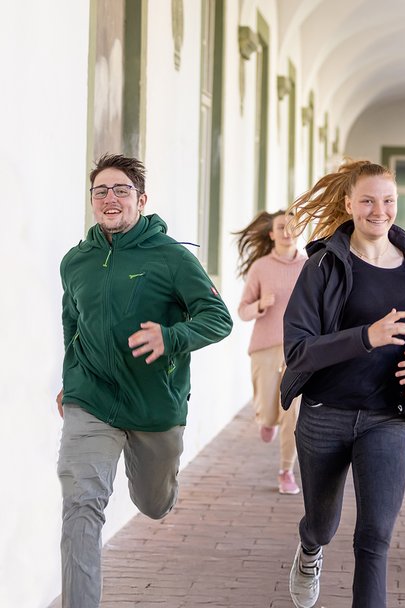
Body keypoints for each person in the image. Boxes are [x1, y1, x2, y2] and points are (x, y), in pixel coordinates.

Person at [56, 153, 233, 607]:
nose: (110, 198)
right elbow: (72, 324)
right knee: (81, 504)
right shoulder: (76, 261)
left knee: (153, 504)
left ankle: (159, 489)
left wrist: (170, 337)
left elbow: (218, 318)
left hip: (154, 402)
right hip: (90, 398)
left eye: (121, 190)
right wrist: (70, 379)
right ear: (92, 200)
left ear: (141, 199)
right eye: (101, 191)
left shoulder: (171, 257)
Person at [279, 159, 405, 608]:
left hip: (387, 416)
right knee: (322, 524)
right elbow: (298, 351)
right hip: (324, 414)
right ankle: (310, 548)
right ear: (349, 203)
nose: (379, 210)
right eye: (368, 201)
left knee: (375, 536)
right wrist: (366, 337)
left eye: (388, 200)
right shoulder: (323, 266)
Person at [235, 210, 307, 495]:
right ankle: (267, 421)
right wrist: (261, 305)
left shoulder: (310, 266)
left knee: (293, 412)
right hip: (264, 348)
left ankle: (286, 471)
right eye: (281, 227)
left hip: (298, 350)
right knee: (268, 411)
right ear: (271, 234)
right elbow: (243, 311)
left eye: (292, 226)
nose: (287, 231)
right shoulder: (261, 267)